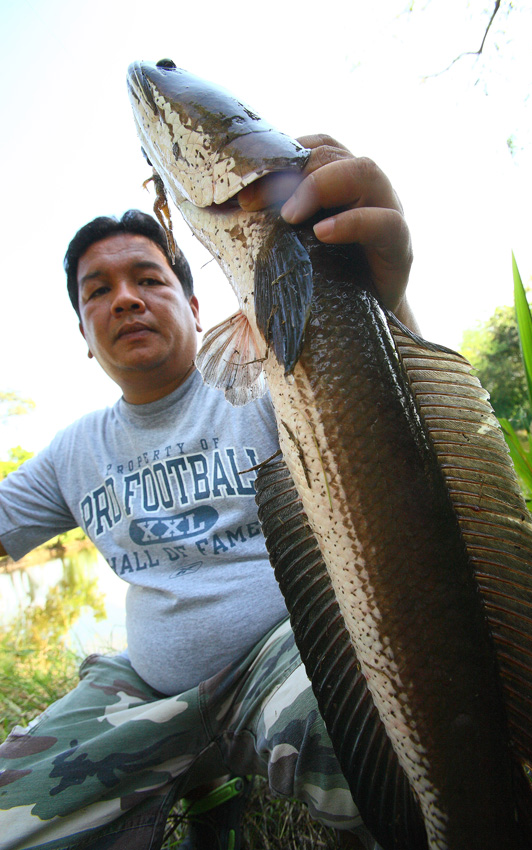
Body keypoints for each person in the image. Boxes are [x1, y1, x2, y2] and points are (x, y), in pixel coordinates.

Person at [0, 136, 415, 850]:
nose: (125, 298)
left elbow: (400, 441)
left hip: (291, 658)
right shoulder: (73, 451)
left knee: (385, 750)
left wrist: (392, 300)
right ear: (82, 332)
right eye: (98, 290)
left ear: (194, 302)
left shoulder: (273, 379)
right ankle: (202, 785)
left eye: (148, 279)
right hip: (147, 690)